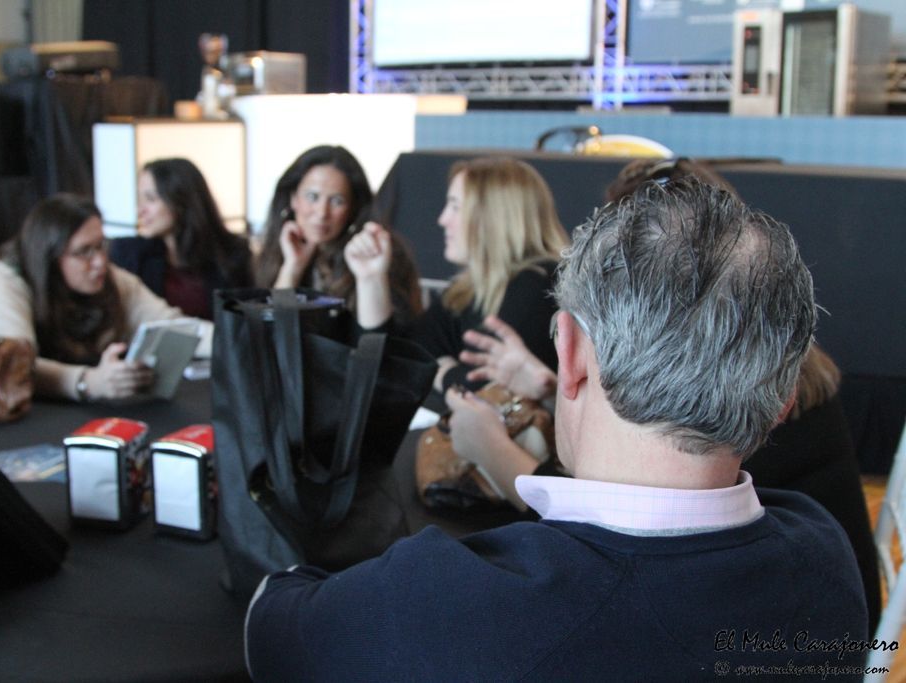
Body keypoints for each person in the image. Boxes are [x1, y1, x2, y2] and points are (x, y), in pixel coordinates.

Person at [244, 178, 869, 680]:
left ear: (567, 354)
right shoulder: (827, 563)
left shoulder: (443, 605)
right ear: (784, 398)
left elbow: (269, 625)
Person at [0, 193, 200, 402]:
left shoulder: (110, 278)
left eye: (101, 245)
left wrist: (224, 340)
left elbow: (173, 324)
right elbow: (15, 364)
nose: (100, 261)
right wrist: (88, 382)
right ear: (50, 256)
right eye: (84, 251)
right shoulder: (4, 281)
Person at [347, 156, 569, 394]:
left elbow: (483, 388)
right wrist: (370, 278)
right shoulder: (468, 289)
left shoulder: (537, 286)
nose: (442, 219)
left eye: (455, 206)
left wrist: (442, 373)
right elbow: (400, 362)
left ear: (492, 215)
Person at [255, 145, 421, 326]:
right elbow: (270, 332)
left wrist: (370, 278)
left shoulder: (377, 254)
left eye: (337, 201)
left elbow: (385, 338)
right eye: (312, 197)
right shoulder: (275, 251)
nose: (322, 213)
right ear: (293, 198)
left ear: (353, 208)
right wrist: (292, 268)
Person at [109, 157, 252, 320]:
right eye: (139, 199)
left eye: (150, 199)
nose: (140, 211)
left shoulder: (232, 254)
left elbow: (242, 321)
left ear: (179, 200)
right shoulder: (129, 254)